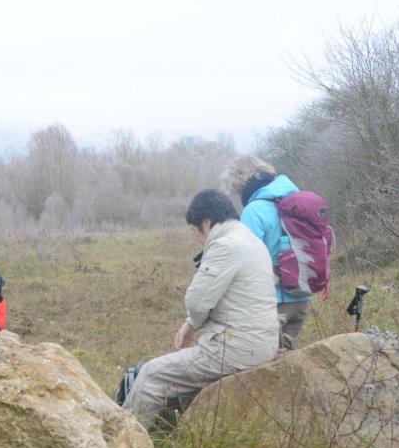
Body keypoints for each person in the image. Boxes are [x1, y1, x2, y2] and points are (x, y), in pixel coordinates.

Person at [124, 189, 278, 428]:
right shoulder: (252, 240)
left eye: (195, 231)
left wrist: (192, 320)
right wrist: (191, 325)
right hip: (261, 344)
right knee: (182, 380)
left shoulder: (226, 245)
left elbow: (197, 302)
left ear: (207, 222)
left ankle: (123, 445)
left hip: (238, 350)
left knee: (151, 375)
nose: (197, 238)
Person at [222, 155, 312, 350]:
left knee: (262, 364)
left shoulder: (255, 210)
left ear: (241, 182)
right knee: (285, 357)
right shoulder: (298, 199)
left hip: (273, 302)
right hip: (302, 297)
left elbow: (243, 259)